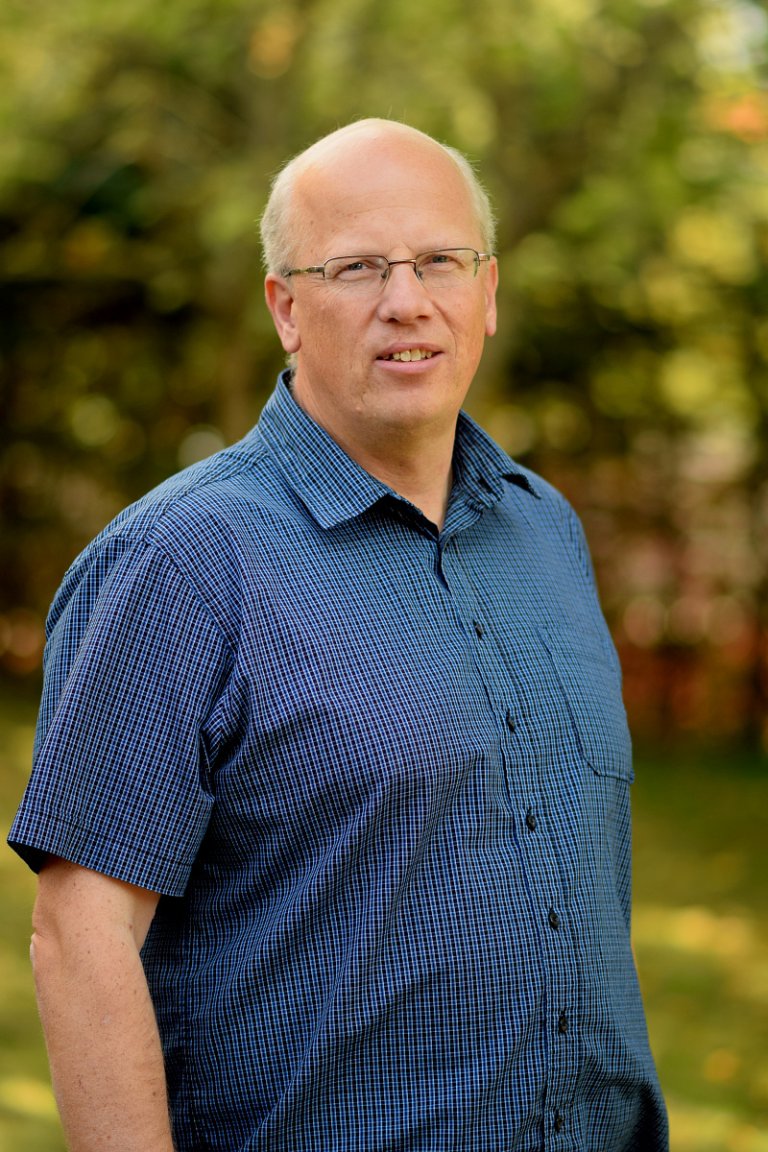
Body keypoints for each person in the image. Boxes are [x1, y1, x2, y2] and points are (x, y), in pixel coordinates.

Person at [9, 118, 668, 1152]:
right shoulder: (181, 563)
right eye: (357, 267)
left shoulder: (546, 530)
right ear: (285, 306)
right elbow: (79, 938)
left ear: (487, 293)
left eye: (439, 261)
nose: (406, 301)